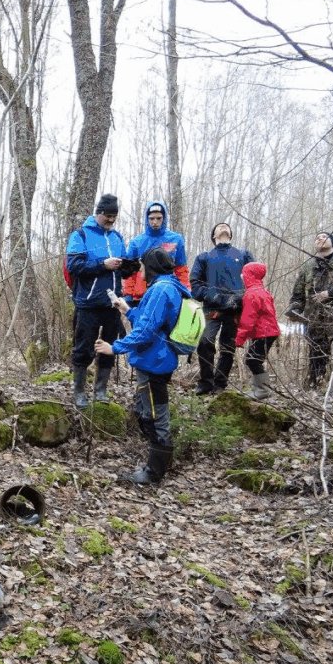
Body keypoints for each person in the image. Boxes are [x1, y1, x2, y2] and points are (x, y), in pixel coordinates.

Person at [96, 248, 189, 485]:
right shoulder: (168, 287)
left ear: (152, 266)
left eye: (143, 266)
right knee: (150, 413)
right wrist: (127, 310)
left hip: (154, 362)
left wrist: (114, 348)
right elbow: (152, 323)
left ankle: (154, 473)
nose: (141, 271)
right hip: (158, 358)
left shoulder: (160, 290)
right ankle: (155, 466)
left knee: (157, 416)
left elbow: (146, 332)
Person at [65, 193, 128, 407]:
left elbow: (122, 271)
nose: (111, 220)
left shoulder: (117, 237)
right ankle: (79, 392)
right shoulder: (80, 235)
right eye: (108, 215)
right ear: (98, 213)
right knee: (83, 348)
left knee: (109, 347)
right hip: (88, 304)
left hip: (112, 304)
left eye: (114, 216)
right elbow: (74, 266)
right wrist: (103, 264)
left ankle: (101, 391)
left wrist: (130, 267)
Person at [190, 222, 254, 395]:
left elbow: (254, 279)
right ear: (213, 236)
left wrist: (241, 298)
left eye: (226, 226)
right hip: (212, 308)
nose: (223, 227)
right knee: (204, 342)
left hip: (235, 309)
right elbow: (195, 285)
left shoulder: (243, 254)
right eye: (219, 227)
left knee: (228, 348)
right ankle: (205, 383)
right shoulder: (204, 257)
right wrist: (213, 296)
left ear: (231, 234)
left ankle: (220, 385)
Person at [286, 231, 333, 392]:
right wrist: (294, 311)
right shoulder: (307, 268)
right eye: (317, 237)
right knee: (316, 360)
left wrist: (332, 293)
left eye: (324, 236)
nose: (320, 239)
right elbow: (298, 294)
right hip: (315, 321)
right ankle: (314, 393)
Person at [122, 200, 189, 304]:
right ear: (146, 219)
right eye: (151, 218)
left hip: (167, 294)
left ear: (164, 218)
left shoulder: (176, 239)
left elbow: (181, 270)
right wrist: (128, 294)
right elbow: (130, 272)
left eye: (159, 218)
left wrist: (186, 291)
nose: (155, 222)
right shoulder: (136, 242)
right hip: (140, 297)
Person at [235, 262, 280, 399]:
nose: (242, 276)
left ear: (250, 276)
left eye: (244, 273)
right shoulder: (262, 291)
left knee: (253, 360)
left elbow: (248, 320)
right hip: (267, 332)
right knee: (254, 359)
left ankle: (262, 390)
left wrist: (239, 339)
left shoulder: (252, 294)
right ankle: (258, 389)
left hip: (264, 333)